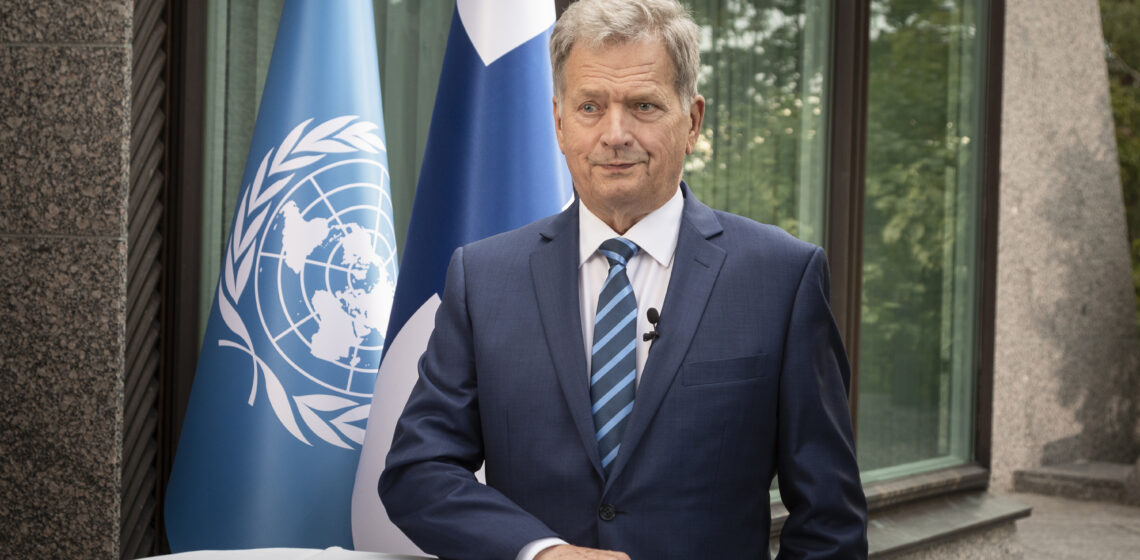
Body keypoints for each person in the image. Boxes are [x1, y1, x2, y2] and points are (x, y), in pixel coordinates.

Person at [379, 0, 868, 558]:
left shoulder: (783, 277)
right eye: (590, 106)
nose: (615, 133)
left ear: (693, 121)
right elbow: (418, 472)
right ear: (560, 123)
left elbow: (830, 522)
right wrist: (541, 552)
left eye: (643, 105)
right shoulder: (483, 278)